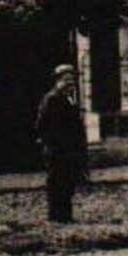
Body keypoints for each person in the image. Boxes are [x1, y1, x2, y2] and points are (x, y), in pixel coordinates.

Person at [34, 64, 87, 224]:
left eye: (72, 80)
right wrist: (54, 143)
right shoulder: (52, 99)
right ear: (57, 81)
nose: (70, 83)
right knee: (57, 181)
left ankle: (65, 215)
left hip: (68, 149)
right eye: (66, 80)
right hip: (58, 149)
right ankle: (57, 216)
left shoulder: (68, 98)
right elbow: (42, 124)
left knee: (67, 181)